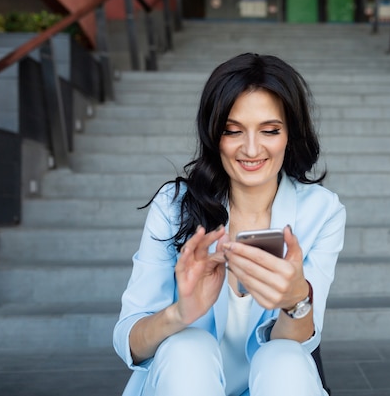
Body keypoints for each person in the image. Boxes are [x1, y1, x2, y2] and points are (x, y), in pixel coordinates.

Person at [113, 53, 347, 396]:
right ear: (213, 134)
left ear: (290, 134)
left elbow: (297, 344)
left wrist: (297, 301)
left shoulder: (321, 212)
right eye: (233, 131)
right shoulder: (174, 205)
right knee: (185, 347)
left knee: (284, 357)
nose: (251, 149)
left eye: (269, 130)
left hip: (274, 383)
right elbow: (130, 342)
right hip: (182, 382)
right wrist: (179, 313)